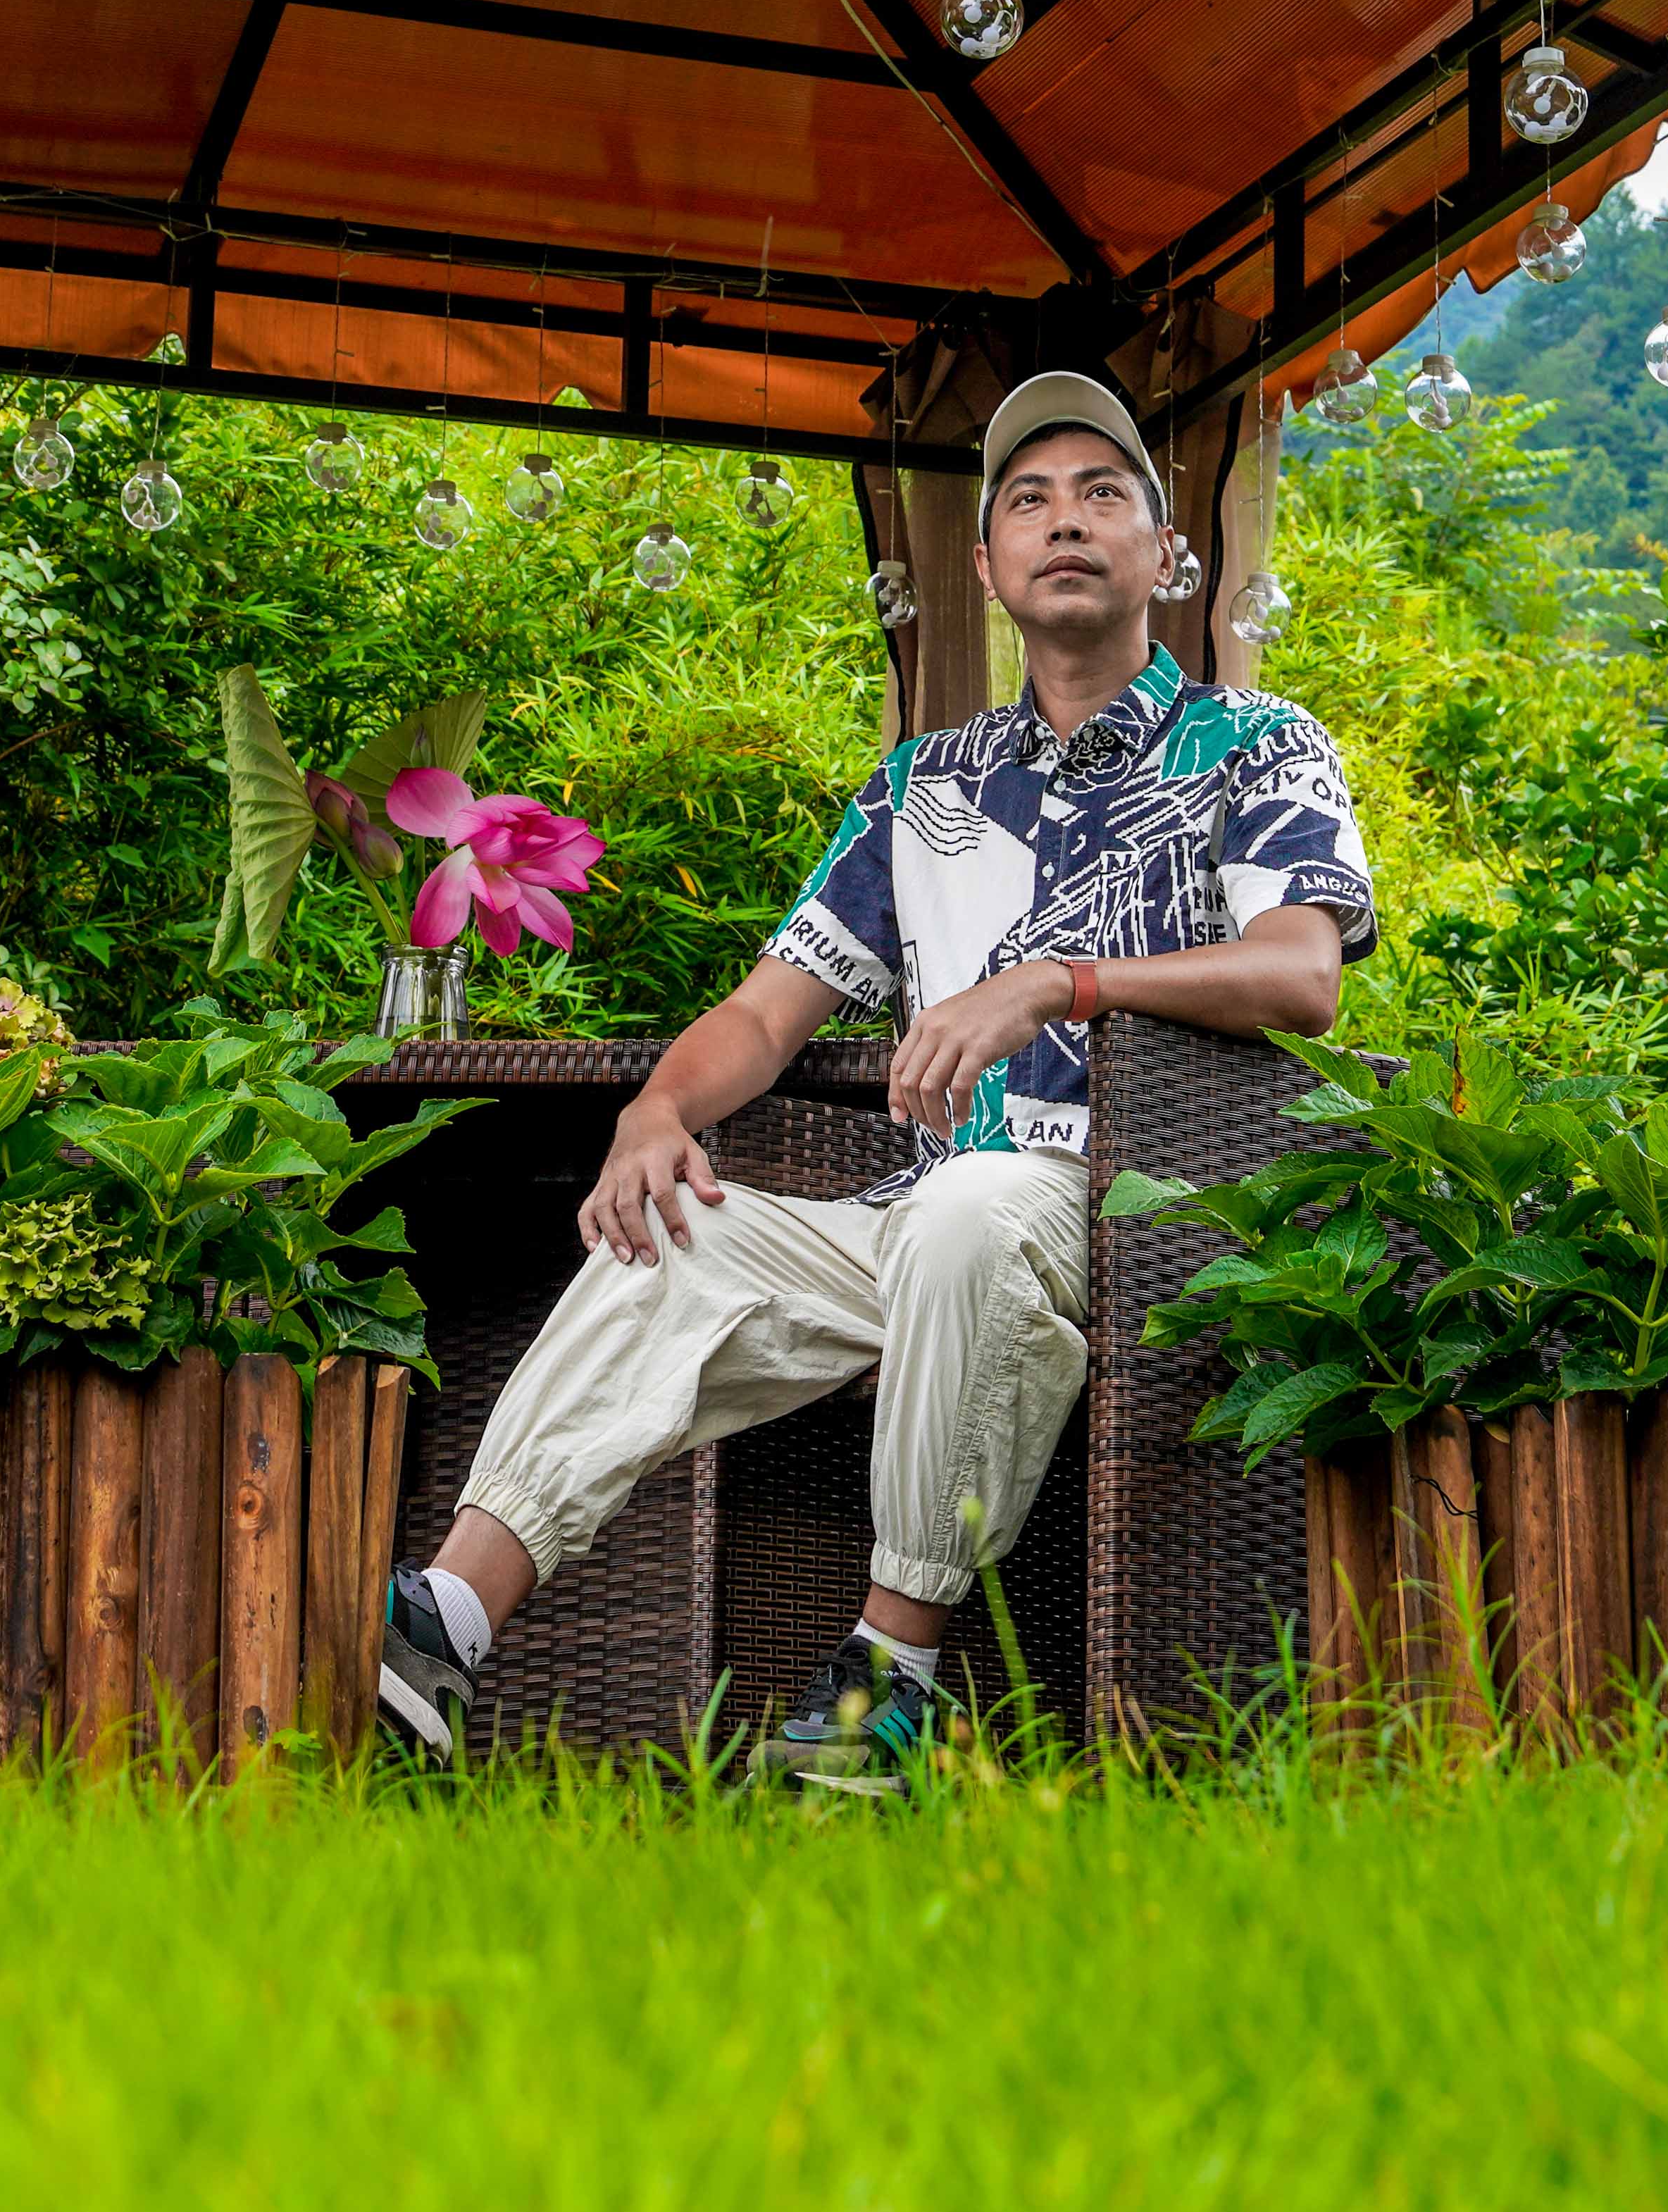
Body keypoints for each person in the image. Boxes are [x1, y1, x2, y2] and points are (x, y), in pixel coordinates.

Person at [374, 368, 1376, 1793]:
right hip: (926, 1224)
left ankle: (885, 1683)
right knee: (686, 1232)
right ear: (986, 567)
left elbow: (1302, 975)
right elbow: (765, 1013)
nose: (1065, 521)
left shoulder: (1258, 745)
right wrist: (656, 1113)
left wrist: (1057, 982)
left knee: (973, 1210)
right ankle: (447, 1627)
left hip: (1148, 1220)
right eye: (1028, 500)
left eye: (1105, 495)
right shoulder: (924, 788)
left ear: (1168, 554)